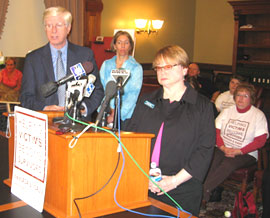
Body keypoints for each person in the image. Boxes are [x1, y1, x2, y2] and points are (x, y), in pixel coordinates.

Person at [124, 45, 215, 216]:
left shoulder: (202, 106)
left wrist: (174, 181)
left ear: (184, 70)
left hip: (182, 188)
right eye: (158, 67)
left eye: (168, 66)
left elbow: (205, 150)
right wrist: (142, 176)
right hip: (143, 184)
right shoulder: (146, 101)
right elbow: (132, 138)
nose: (162, 71)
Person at [20, 7, 104, 120]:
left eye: (58, 25)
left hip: (77, 122)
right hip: (45, 122)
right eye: (49, 26)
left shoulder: (85, 55)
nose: (53, 30)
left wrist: (82, 108)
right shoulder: (33, 59)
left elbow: (97, 90)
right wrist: (44, 108)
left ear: (68, 28)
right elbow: (26, 97)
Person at [203, 83, 269, 203]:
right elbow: (216, 131)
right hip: (223, 147)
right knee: (210, 159)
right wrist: (223, 147)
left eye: (245, 96)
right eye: (238, 95)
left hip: (246, 153)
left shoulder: (258, 115)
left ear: (252, 99)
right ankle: (208, 191)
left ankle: (203, 194)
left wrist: (239, 151)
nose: (241, 99)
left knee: (227, 164)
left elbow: (261, 140)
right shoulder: (228, 111)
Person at [99, 31, 143, 125]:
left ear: (130, 46)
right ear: (114, 46)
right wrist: (104, 112)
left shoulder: (136, 68)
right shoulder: (106, 64)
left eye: (126, 43)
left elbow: (132, 96)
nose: (123, 46)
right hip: (105, 113)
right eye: (119, 42)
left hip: (124, 117)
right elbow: (101, 89)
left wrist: (115, 115)